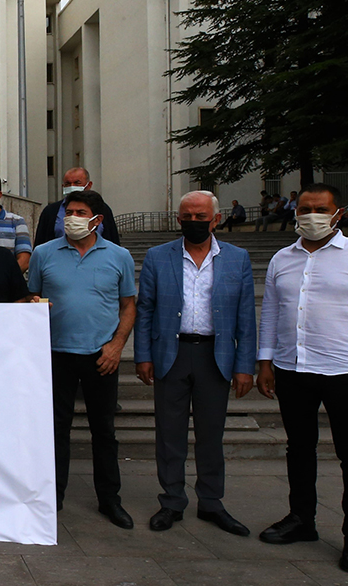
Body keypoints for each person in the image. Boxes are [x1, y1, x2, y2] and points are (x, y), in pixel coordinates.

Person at [134, 191, 256, 536]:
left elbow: (246, 315)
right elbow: (145, 310)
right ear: (179, 219)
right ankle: (172, 500)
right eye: (187, 216)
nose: (194, 222)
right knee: (169, 435)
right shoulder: (159, 256)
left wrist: (244, 364)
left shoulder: (237, 258)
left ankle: (211, 502)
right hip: (171, 353)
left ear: (215, 219)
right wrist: (143, 355)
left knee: (210, 434)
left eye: (201, 217)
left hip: (215, 355)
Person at [27, 190, 136, 528]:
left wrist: (117, 345)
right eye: (68, 211)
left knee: (103, 430)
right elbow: (30, 295)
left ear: (97, 220)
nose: (71, 218)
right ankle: (52, 496)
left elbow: (128, 305)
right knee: (55, 430)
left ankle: (109, 499)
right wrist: (32, 303)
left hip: (101, 355)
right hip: (55, 355)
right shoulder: (44, 253)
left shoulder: (119, 256)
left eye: (79, 212)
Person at [255, 184, 348, 570]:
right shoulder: (282, 258)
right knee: (300, 448)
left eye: (321, 209)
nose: (312, 216)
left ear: (338, 212)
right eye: (306, 208)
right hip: (293, 368)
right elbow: (272, 312)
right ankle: (301, 519)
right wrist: (265, 361)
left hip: (342, 369)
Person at [33, 167, 120, 247]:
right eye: (68, 184)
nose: (72, 186)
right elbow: (40, 241)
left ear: (88, 185)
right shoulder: (50, 211)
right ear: (63, 186)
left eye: (77, 183)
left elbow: (113, 240)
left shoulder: (103, 209)